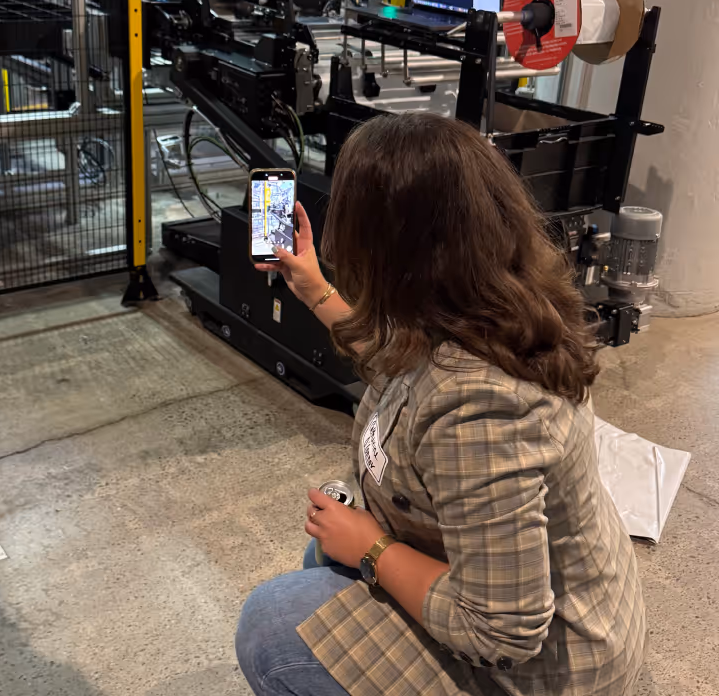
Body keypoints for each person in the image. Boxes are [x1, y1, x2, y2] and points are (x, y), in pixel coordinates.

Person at [235, 113, 646, 696]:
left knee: (274, 626)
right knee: (321, 560)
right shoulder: (484, 307)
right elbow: (396, 358)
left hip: (551, 672)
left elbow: (503, 631)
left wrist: (373, 547)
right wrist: (313, 287)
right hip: (554, 601)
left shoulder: (479, 409)